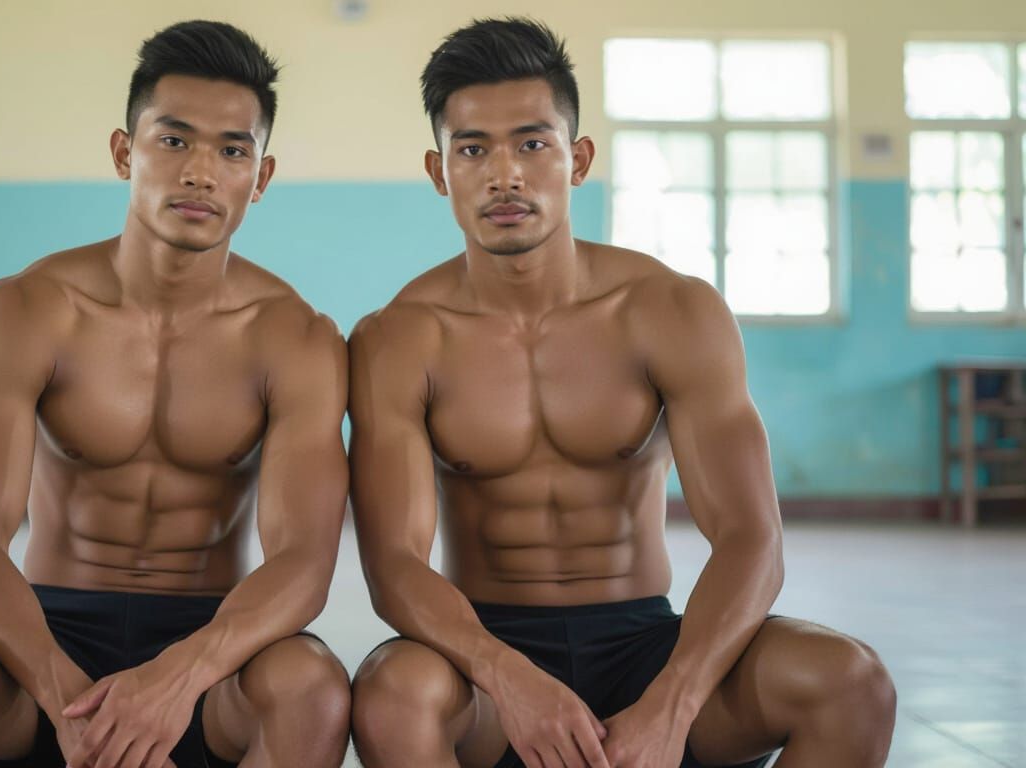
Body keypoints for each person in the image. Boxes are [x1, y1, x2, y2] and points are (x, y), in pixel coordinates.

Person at [347, 17, 896, 768]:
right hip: (485, 662)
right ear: (440, 172)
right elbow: (396, 565)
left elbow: (751, 537)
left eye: (532, 144)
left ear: (576, 159)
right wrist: (507, 676)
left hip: (646, 642)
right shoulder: (399, 338)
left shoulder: (671, 311)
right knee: (390, 691)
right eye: (473, 149)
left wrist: (672, 705)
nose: (505, 174)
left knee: (850, 681)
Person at [0, 20, 350, 768]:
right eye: (173, 141)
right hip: (39, 640)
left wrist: (176, 681)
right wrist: (72, 702)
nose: (201, 172)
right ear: (124, 152)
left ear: (259, 177)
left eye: (232, 150)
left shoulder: (295, 338)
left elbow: (303, 561)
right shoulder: (28, 310)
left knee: (313, 688)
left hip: (209, 654)